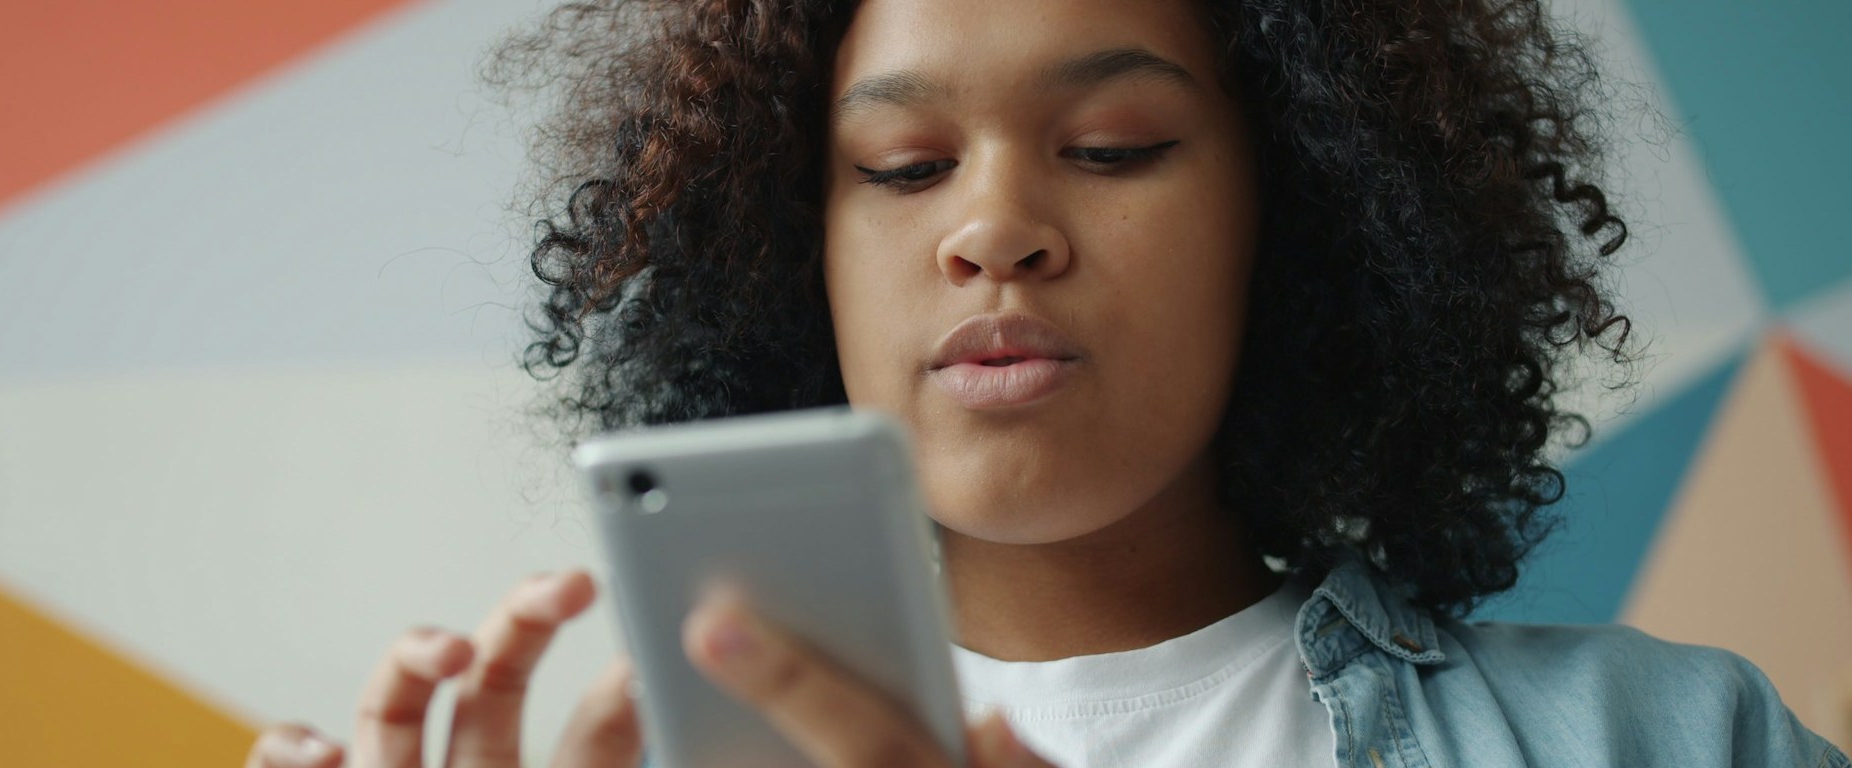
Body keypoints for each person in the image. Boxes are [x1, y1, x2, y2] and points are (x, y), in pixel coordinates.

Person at [247, 0, 1850, 766]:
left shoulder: (1666, 739)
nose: (995, 229)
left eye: (1112, 150)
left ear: (1299, 214)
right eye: (899, 165)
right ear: (781, 247)